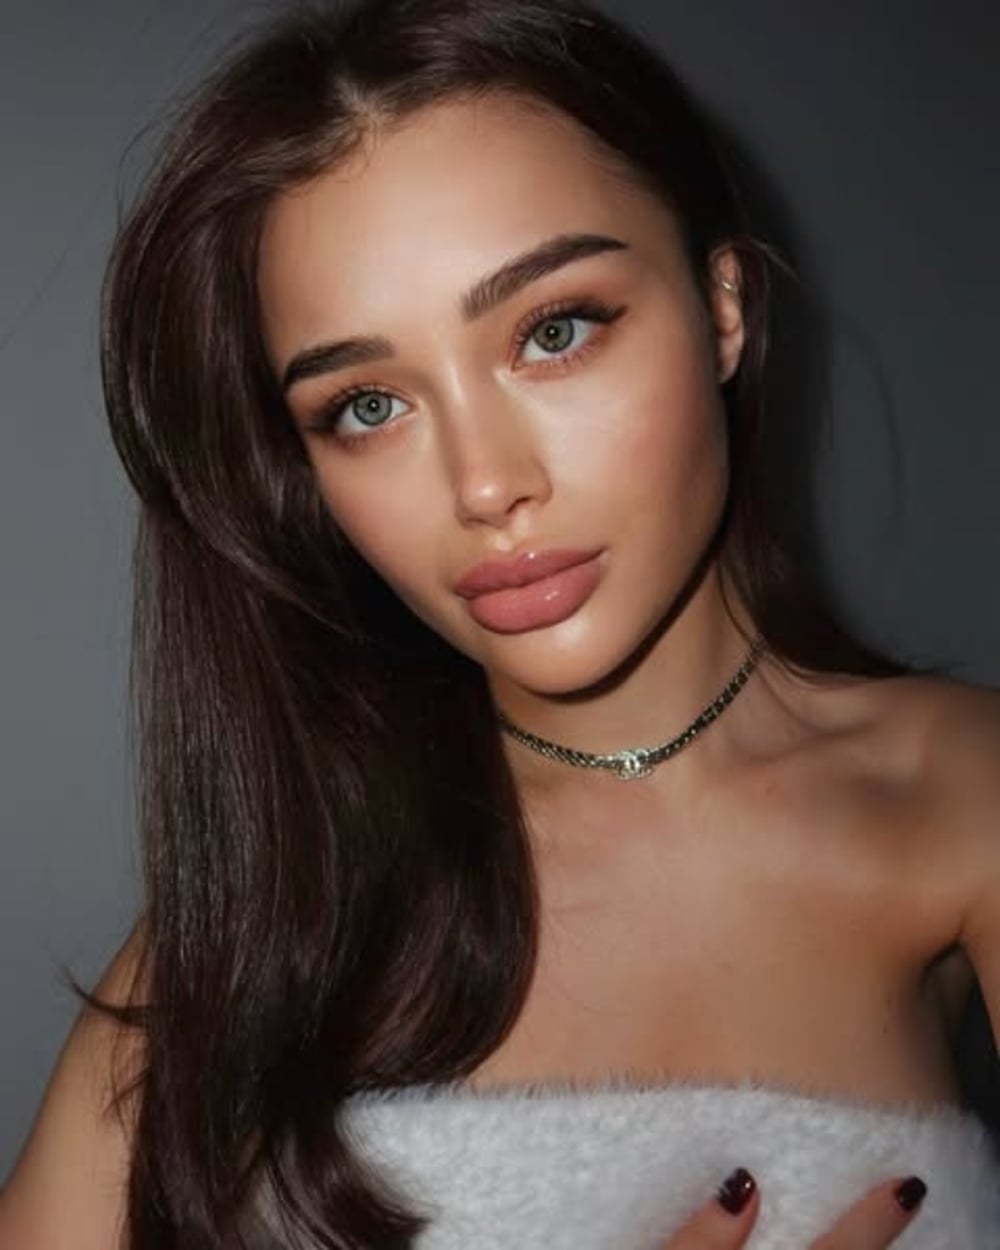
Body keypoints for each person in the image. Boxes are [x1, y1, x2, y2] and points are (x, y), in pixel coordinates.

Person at [1, 0, 998, 1246]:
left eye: (553, 331)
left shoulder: (962, 796)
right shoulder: (271, 913)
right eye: (367, 404)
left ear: (723, 307)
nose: (483, 484)